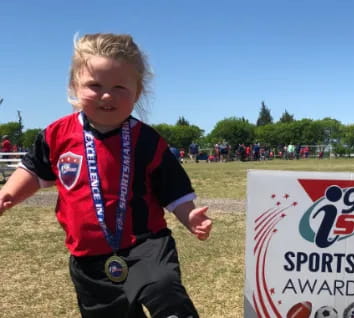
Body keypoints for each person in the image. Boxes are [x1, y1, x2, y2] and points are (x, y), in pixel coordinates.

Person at [0, 33, 211, 318]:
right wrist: (8, 194)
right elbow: (34, 171)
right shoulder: (56, 135)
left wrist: (190, 216)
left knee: (163, 289)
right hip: (88, 256)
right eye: (94, 85)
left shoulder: (147, 140)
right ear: (75, 87)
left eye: (119, 87)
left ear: (137, 91)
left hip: (145, 245)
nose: (107, 95)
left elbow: (173, 189)